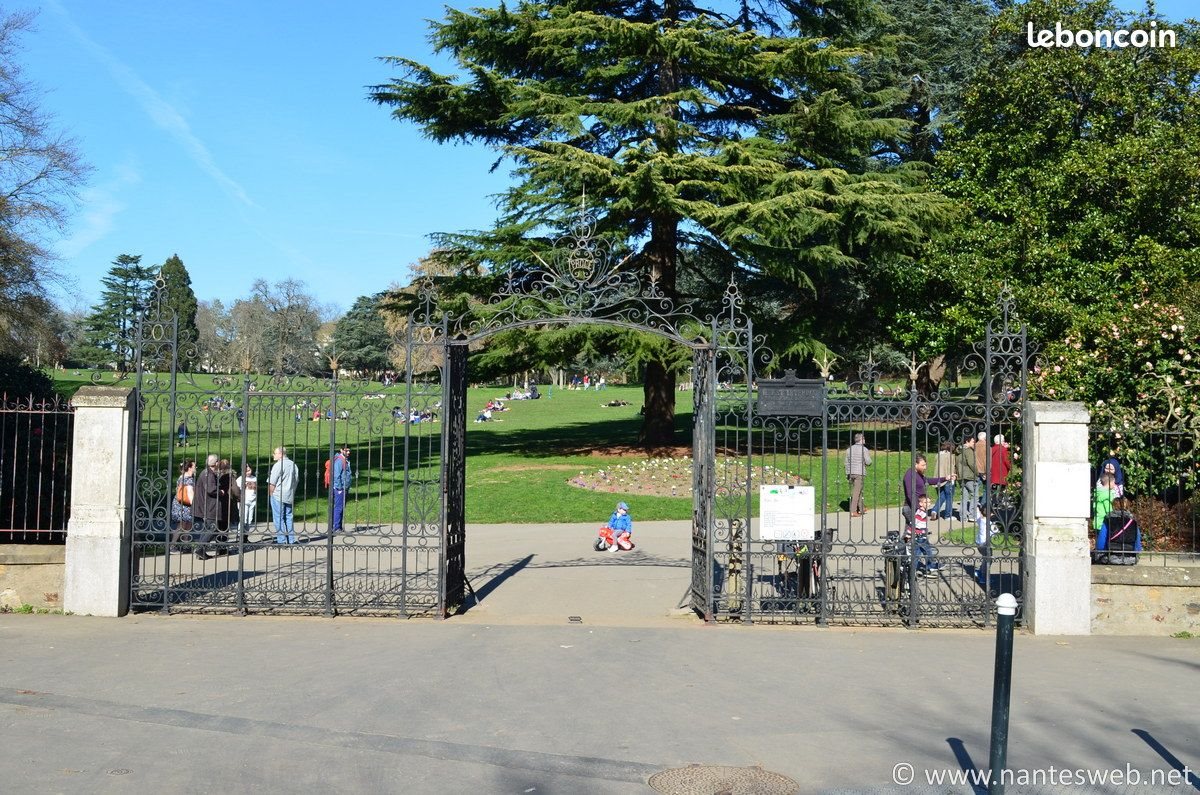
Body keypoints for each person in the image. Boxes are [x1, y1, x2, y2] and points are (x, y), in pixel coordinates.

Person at [901, 453, 954, 526]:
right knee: (916, 532)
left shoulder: (918, 474)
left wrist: (945, 478)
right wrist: (918, 509)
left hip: (918, 508)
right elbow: (910, 494)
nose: (925, 467)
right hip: (911, 509)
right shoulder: (910, 475)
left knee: (912, 533)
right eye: (923, 465)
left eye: (925, 465)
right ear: (915, 464)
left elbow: (928, 481)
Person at [191, 454, 223, 560]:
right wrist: (221, 491)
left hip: (206, 505)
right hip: (209, 506)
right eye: (218, 461)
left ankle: (201, 551)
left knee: (207, 528)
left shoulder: (206, 473)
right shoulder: (208, 474)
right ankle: (200, 548)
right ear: (215, 463)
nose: (219, 463)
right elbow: (211, 489)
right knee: (213, 528)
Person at [268, 446, 300, 545]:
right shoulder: (293, 464)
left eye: (275, 453)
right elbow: (297, 479)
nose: (273, 455)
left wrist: (271, 494)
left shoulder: (278, 465)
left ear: (281, 454)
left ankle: (281, 540)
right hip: (289, 494)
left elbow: (272, 482)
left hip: (278, 494)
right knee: (289, 517)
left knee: (278, 517)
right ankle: (291, 540)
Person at [904, 493, 939, 577]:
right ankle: (925, 568)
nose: (928, 504)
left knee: (922, 553)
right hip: (920, 538)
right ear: (920, 503)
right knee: (925, 553)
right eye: (926, 502)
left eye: (929, 502)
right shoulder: (920, 513)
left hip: (922, 536)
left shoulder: (922, 512)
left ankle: (924, 568)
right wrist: (908, 535)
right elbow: (913, 524)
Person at [844, 433, 871, 517]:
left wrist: (847, 473)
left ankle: (862, 508)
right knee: (856, 492)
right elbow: (868, 462)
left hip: (851, 472)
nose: (865, 440)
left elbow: (846, 462)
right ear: (861, 439)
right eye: (864, 438)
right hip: (859, 472)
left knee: (858, 490)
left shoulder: (849, 449)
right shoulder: (864, 449)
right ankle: (853, 511)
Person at [170, 459, 196, 543]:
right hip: (186, 503)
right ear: (189, 468)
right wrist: (194, 504)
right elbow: (190, 492)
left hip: (179, 502)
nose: (196, 468)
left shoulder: (182, 477)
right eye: (194, 466)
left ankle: (185, 544)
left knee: (186, 524)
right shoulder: (189, 479)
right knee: (182, 525)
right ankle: (173, 545)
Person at [217, 459, 241, 543]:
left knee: (218, 524)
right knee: (225, 525)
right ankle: (222, 546)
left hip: (216, 502)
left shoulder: (215, 475)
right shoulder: (230, 476)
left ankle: (218, 542)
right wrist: (239, 497)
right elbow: (235, 489)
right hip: (227, 501)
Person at [957, 433, 980, 522]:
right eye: (973, 442)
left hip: (961, 476)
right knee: (975, 495)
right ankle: (972, 515)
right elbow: (972, 463)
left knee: (964, 497)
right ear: (967, 441)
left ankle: (963, 517)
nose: (974, 443)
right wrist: (978, 473)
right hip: (969, 476)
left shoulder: (959, 451)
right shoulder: (968, 451)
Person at [1093, 464, 1120, 533]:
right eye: (1114, 483)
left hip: (1097, 522)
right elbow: (1109, 510)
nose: (1114, 485)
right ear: (1110, 483)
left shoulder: (1098, 493)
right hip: (1104, 523)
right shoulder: (1107, 495)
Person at [932, 441, 956, 520]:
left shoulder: (938, 455)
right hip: (947, 478)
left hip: (938, 479)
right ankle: (947, 515)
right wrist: (953, 476)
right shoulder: (950, 456)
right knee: (949, 497)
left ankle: (935, 510)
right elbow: (951, 467)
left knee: (942, 496)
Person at [331, 443, 352, 533]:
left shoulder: (345, 460)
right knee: (339, 507)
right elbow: (336, 475)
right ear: (341, 450)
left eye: (349, 450)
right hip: (340, 488)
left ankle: (339, 526)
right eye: (346, 450)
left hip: (344, 487)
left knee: (342, 507)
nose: (348, 452)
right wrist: (339, 488)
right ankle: (336, 527)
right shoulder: (340, 460)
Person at [989, 434, 1012, 503]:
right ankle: (1000, 499)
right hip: (1002, 472)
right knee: (1002, 486)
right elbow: (1006, 460)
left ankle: (993, 500)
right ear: (1001, 441)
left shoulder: (991, 449)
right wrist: (1011, 467)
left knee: (994, 486)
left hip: (993, 471)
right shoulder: (1004, 450)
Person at [236, 464, 258, 535]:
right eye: (246, 471)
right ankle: (240, 535)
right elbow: (237, 490)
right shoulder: (240, 479)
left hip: (252, 501)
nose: (248, 472)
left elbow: (255, 489)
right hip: (244, 501)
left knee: (249, 520)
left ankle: (245, 536)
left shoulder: (254, 478)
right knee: (243, 519)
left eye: (249, 470)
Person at [974, 431, 989, 507]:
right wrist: (986, 472)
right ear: (985, 438)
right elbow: (987, 461)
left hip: (975, 470)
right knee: (986, 489)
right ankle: (983, 505)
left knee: (975, 488)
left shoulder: (974, 446)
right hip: (984, 471)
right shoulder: (987, 446)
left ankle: (974, 504)